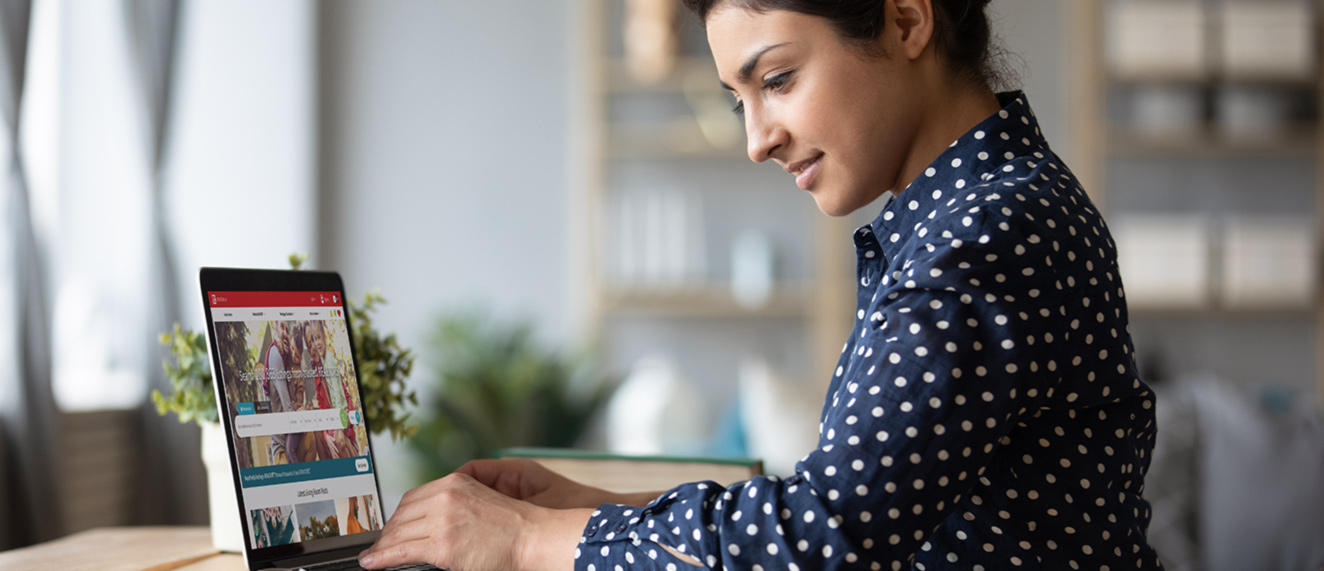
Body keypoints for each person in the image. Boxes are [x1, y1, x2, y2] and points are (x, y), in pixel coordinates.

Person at [358, 1, 1164, 569]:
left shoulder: (982, 235)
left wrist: (527, 542)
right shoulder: (973, 210)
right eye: (738, 98)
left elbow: (822, 539)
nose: (756, 139)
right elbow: (844, 500)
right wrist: (588, 511)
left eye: (776, 79)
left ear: (907, 19)